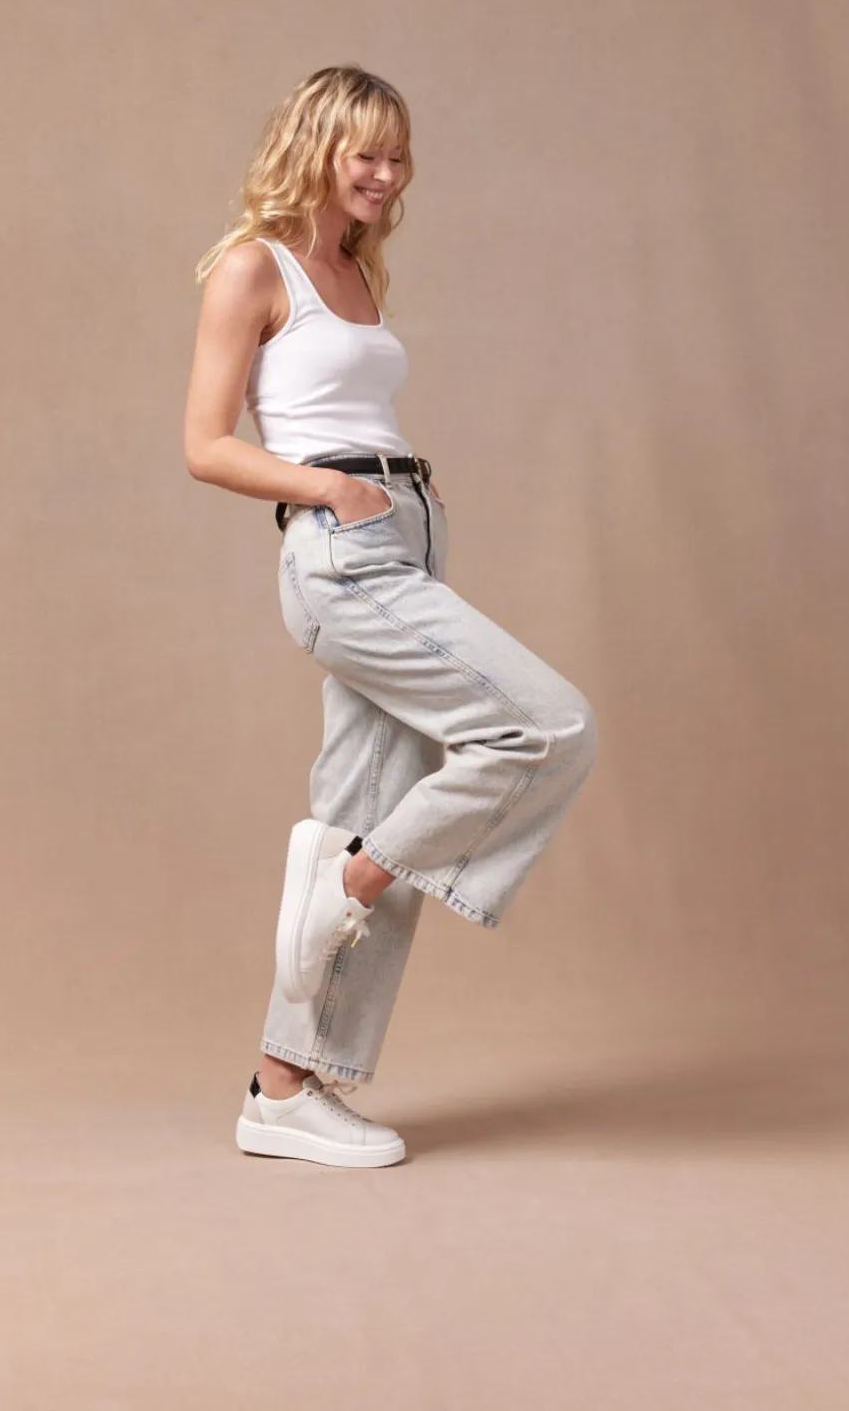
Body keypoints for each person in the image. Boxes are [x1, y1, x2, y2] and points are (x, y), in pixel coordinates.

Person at [184, 65, 598, 1169]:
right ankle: (360, 876)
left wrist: (405, 493)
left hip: (404, 533)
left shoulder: (355, 267)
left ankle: (282, 1088)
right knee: (545, 726)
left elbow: (353, 403)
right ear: (315, 147)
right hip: (343, 551)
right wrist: (329, 487)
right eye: (364, 153)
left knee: (360, 804)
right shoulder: (253, 266)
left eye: (398, 155)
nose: (386, 173)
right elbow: (205, 444)